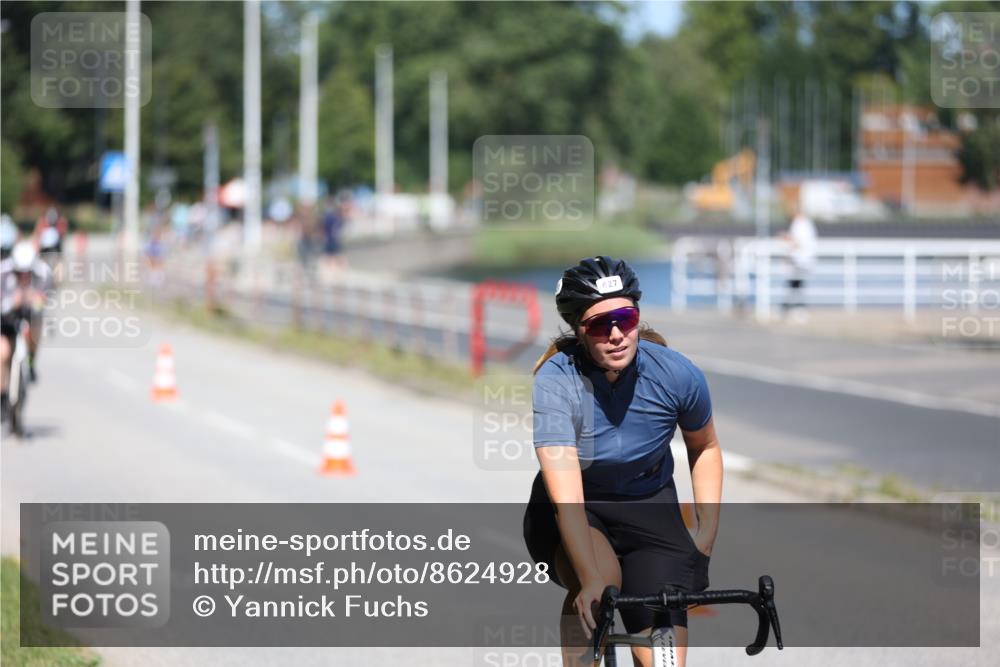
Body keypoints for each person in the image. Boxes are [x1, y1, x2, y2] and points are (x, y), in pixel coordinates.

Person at [524, 256, 722, 667]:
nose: (616, 334)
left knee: (659, 646)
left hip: (649, 506)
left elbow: (704, 447)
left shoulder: (676, 374)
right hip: (578, 508)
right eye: (599, 325)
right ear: (579, 330)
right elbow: (568, 501)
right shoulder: (557, 381)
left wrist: (705, 532)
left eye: (625, 318)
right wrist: (590, 579)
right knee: (600, 590)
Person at [1, 241, 53, 415]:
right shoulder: (3, 272)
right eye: (20, 273)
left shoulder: (43, 272)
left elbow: (46, 300)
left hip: (29, 315)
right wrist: (10, 302)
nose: (24, 277)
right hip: (5, 318)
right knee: (3, 353)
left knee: (36, 328)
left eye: (27, 273)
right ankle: (2, 396)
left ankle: (30, 361)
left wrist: (36, 300)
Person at [780, 206, 817, 321]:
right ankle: (792, 308)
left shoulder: (801, 224)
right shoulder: (803, 223)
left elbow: (799, 243)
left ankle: (796, 309)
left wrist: (786, 238)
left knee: (796, 284)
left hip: (801, 260)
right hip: (800, 259)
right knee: (795, 284)